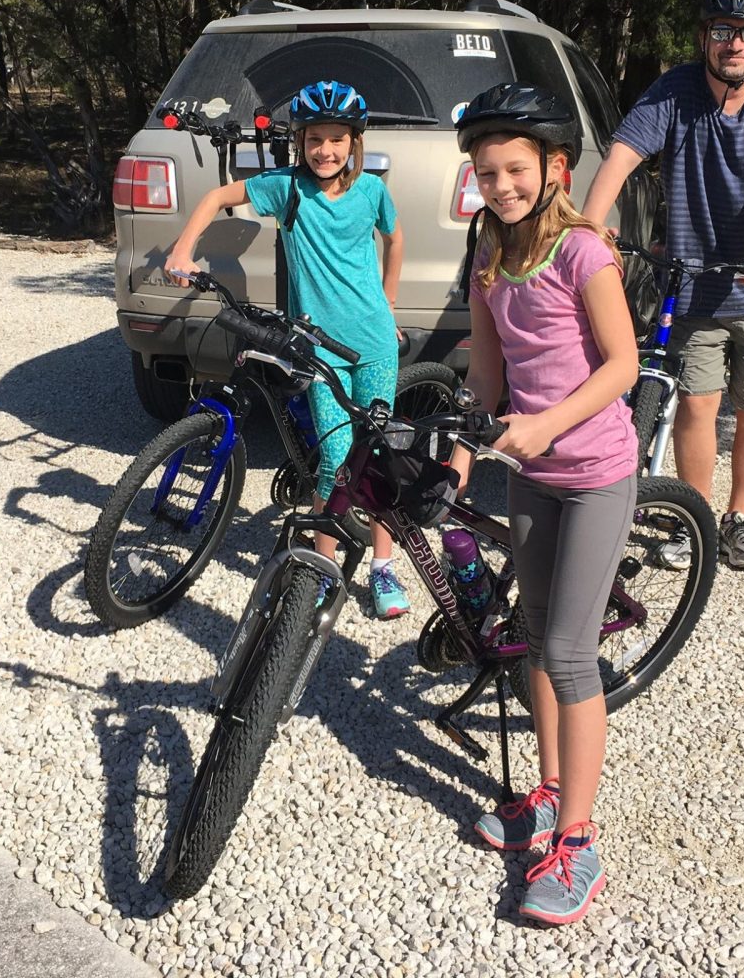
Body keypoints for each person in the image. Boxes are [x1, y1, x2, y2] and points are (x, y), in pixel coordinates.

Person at [449, 83, 639, 925]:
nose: (501, 186)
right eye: (487, 173)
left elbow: (622, 365)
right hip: (531, 474)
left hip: (595, 469)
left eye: (515, 170)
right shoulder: (488, 251)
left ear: (554, 168)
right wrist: (463, 445)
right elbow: (487, 371)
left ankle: (580, 842)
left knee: (567, 652)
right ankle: (552, 789)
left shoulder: (582, 252)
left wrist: (547, 424)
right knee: (532, 640)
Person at [582, 0, 744, 570]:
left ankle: (740, 518)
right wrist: (586, 231)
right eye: (723, 30)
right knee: (695, 406)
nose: (734, 44)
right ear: (703, 36)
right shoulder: (676, 89)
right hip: (693, 282)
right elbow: (621, 159)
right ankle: (697, 516)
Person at [164, 79, 410, 617]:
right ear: (300, 141)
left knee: (379, 455)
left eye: (337, 139)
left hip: (372, 343)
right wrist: (183, 249)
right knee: (334, 463)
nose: (325, 150)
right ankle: (322, 567)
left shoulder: (371, 192)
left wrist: (389, 304)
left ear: (354, 143)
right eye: (315, 138)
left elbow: (395, 239)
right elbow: (216, 197)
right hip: (319, 351)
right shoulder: (288, 189)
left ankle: (383, 565)